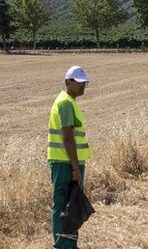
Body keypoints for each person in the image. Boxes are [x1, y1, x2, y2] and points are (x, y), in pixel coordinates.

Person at [48, 65, 92, 249]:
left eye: (85, 83)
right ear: (68, 82)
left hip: (68, 162)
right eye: (79, 83)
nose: (83, 86)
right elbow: (67, 138)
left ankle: (69, 244)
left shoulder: (69, 102)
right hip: (65, 163)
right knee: (64, 204)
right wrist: (75, 167)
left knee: (71, 205)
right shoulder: (66, 103)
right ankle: (61, 245)